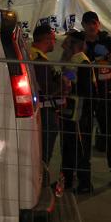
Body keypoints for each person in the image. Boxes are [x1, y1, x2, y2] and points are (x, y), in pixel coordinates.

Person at [82, 11, 111, 188]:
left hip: (105, 94)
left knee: (108, 134)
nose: (92, 26)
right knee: (83, 136)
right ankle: (84, 178)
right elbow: (66, 61)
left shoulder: (107, 41)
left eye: (95, 23)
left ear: (98, 24)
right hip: (85, 93)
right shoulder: (79, 41)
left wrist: (107, 57)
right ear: (84, 25)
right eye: (88, 23)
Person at [59, 30, 95, 194]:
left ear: (75, 44)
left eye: (67, 41)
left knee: (80, 147)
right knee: (68, 146)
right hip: (69, 112)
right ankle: (65, 180)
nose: (63, 44)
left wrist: (68, 88)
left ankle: (85, 182)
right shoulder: (71, 60)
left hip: (79, 114)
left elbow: (86, 91)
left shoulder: (83, 62)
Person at [29, 23, 62, 185]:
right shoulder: (39, 60)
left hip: (36, 110)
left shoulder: (29, 53)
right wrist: (63, 85)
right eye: (53, 39)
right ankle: (42, 183)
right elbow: (48, 90)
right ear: (47, 39)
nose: (54, 43)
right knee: (44, 150)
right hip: (45, 111)